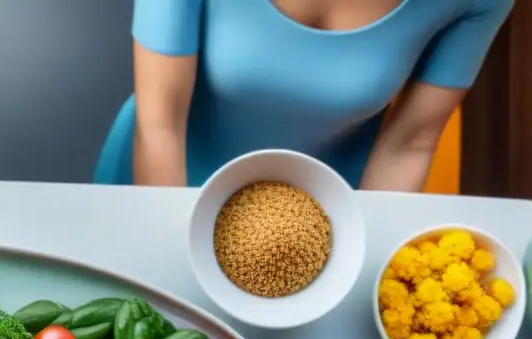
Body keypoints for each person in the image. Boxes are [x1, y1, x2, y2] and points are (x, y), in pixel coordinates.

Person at [95, 0, 514, 191]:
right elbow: (160, 123)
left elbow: (411, 143)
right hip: (164, 175)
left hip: (330, 210)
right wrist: (173, 259)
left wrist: (361, 252)